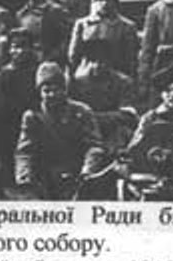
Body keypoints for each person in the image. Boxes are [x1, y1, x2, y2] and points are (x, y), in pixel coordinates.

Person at [13, 62, 107, 200]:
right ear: (39, 92)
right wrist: (24, 177)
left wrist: (88, 170)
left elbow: (94, 146)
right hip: (45, 179)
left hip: (77, 175)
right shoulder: (33, 116)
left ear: (65, 90)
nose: (52, 95)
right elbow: (25, 151)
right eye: (46, 91)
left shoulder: (82, 112)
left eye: (56, 89)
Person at [68, 39, 138, 155]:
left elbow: (127, 115)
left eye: (102, 62)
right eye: (93, 61)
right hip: (87, 131)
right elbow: (73, 113)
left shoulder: (123, 82)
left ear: (110, 63)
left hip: (113, 131)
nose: (97, 66)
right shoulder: (78, 83)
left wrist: (93, 117)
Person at [68, 0, 138, 78]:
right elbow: (73, 57)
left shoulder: (126, 27)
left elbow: (131, 60)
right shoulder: (82, 25)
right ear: (93, 1)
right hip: (85, 78)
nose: (104, 3)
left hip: (116, 79)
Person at [0, 29, 40, 186]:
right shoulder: (5, 73)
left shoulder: (37, 71)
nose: (18, 52)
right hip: (9, 121)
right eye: (14, 47)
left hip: (32, 120)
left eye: (22, 47)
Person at [13, 0, 71, 65]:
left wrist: (51, 58)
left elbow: (66, 41)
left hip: (51, 63)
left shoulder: (56, 11)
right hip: (27, 64)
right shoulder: (21, 14)